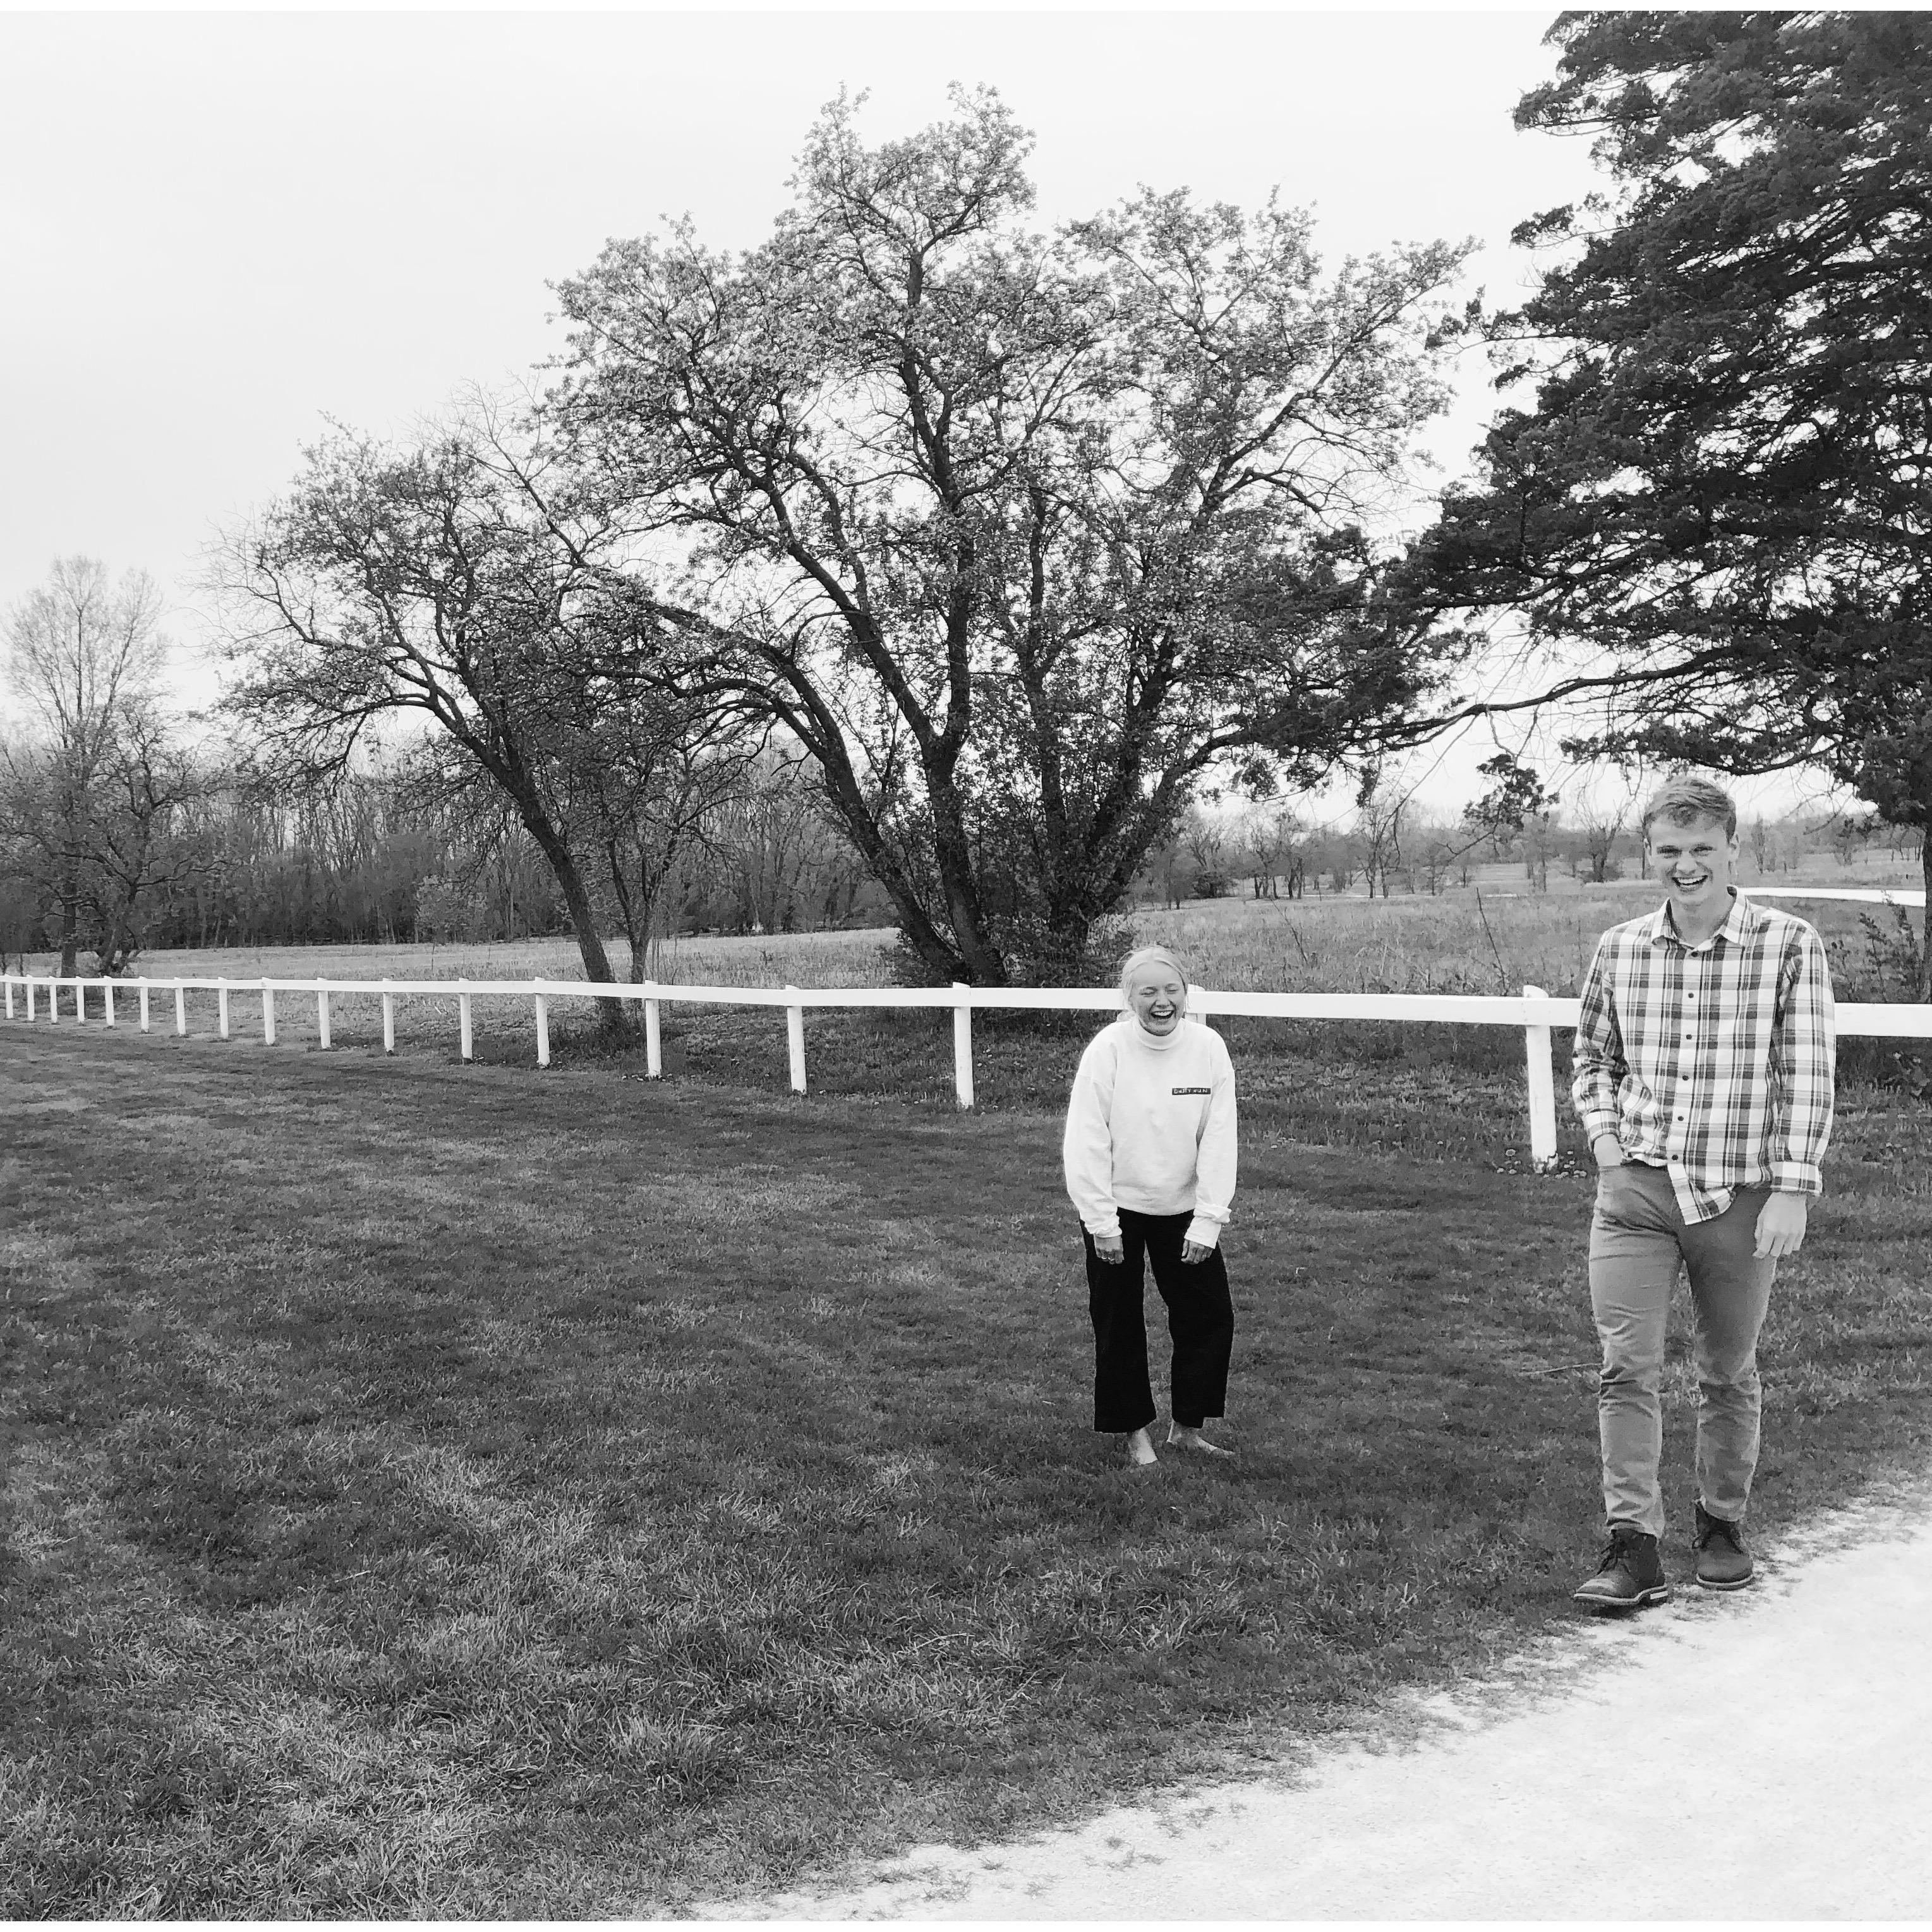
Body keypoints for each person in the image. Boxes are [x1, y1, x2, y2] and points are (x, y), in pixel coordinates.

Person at [1569, 773, 1835, 1610]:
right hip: (1636, 1194)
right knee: (1625, 1366)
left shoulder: (1787, 943)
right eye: (1668, 850)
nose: (1684, 866)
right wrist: (1606, 1146)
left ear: (1731, 850)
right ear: (1649, 853)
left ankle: (1720, 1524)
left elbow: (1807, 1071)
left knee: (1726, 1368)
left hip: (1740, 1194)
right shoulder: (1620, 948)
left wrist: (1792, 1187)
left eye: (1700, 850)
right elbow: (1592, 1058)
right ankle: (1633, 1545)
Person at [1063, 945, 1239, 1468]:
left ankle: (1187, 1429)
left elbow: (1219, 1137)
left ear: (1186, 993)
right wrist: (1101, 1222)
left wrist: (1208, 1219)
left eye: (1171, 990)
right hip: (1116, 1208)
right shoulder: (1109, 1049)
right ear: (1129, 997)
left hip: (1183, 1210)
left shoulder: (1208, 1048)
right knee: (1119, 1320)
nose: (1162, 1002)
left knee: (1209, 1316)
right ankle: (1134, 1432)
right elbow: (1087, 1137)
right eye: (1148, 992)